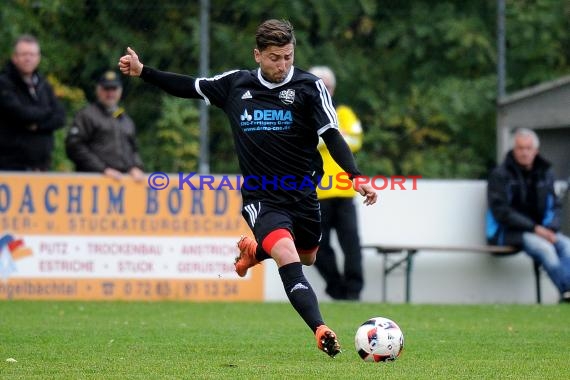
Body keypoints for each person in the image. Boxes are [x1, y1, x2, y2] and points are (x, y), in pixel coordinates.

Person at [118, 19, 377, 357]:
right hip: (261, 197)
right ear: (258, 55)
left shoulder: (310, 87)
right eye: (274, 57)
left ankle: (254, 252)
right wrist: (143, 71)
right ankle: (320, 328)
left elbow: (331, 134)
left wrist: (355, 175)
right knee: (286, 253)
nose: (282, 65)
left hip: (302, 193)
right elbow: (189, 86)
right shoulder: (235, 85)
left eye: (287, 56)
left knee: (308, 256)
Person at [487, 128, 570, 303]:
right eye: (520, 148)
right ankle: (567, 290)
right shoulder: (500, 175)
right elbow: (502, 213)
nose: (524, 152)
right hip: (507, 233)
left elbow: (554, 206)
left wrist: (550, 229)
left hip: (542, 230)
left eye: (528, 148)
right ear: (513, 150)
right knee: (544, 248)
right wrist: (535, 229)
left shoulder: (546, 173)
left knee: (567, 246)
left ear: (535, 151)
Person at [308, 66, 364, 301]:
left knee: (351, 243)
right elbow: (317, 141)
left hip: (344, 191)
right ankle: (336, 288)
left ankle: (353, 291)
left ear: (333, 88)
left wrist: (330, 135)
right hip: (317, 193)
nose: (325, 90)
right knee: (318, 248)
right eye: (320, 85)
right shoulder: (305, 112)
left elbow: (356, 140)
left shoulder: (344, 112)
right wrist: (333, 134)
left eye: (328, 86)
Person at [0, 34, 66, 171]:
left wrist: (37, 126)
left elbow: (60, 117)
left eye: (32, 54)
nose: (28, 58)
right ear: (14, 57)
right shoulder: (4, 83)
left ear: (38, 58)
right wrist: (47, 112)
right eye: (24, 54)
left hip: (41, 165)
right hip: (10, 165)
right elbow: (19, 113)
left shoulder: (43, 85)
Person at [65, 70, 144, 181]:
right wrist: (103, 169)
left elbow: (134, 149)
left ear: (120, 91)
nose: (110, 93)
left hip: (122, 184)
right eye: (106, 89)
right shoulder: (86, 115)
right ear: (98, 90)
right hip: (93, 181)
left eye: (114, 89)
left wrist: (135, 166)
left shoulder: (125, 119)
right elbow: (74, 147)